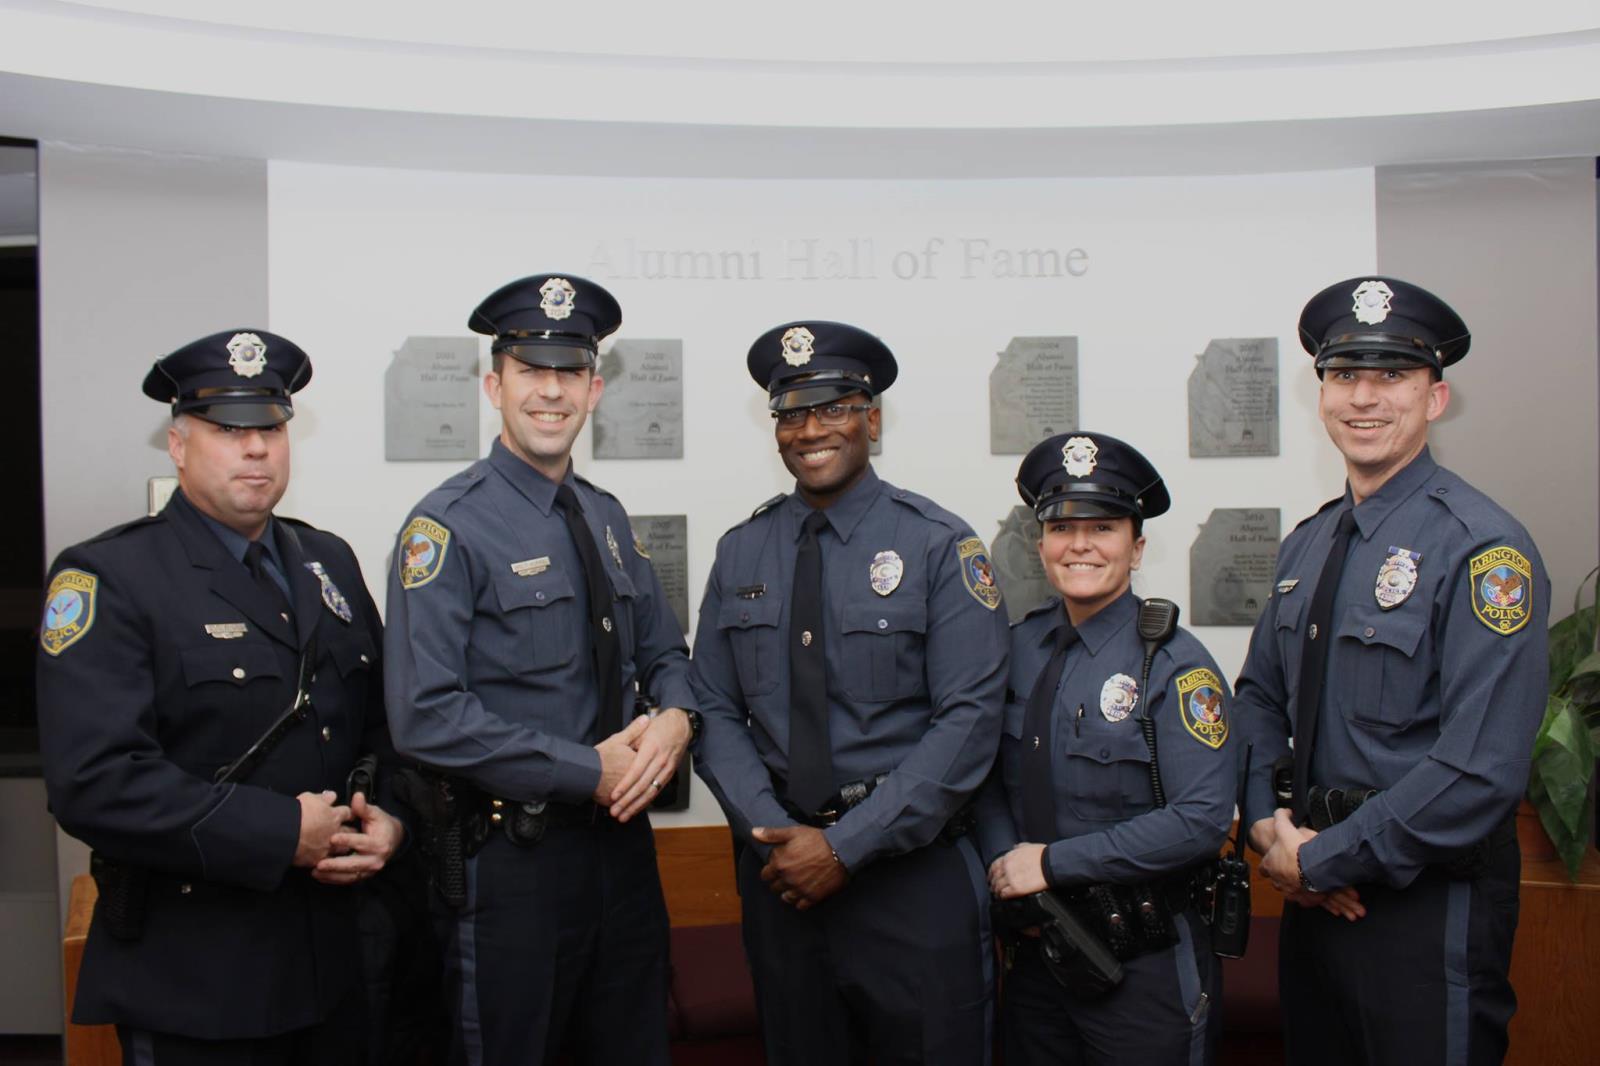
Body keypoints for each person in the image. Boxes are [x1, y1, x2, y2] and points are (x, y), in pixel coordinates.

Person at [37, 330, 403, 1065]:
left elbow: (384, 728)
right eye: (228, 430)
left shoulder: (327, 560)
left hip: (338, 967)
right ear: (178, 445)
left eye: (271, 428)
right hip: (198, 980)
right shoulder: (111, 578)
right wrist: (279, 832)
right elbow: (95, 783)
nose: (257, 448)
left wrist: (392, 818)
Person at [383, 273, 698, 1066]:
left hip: (621, 857)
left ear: (595, 390)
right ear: (495, 387)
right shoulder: (446, 527)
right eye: (531, 371)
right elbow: (425, 713)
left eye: (570, 373)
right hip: (511, 863)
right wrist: (588, 770)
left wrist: (676, 717)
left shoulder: (607, 516)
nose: (551, 391)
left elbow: (666, 653)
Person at [1235, 277, 1549, 1065]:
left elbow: (1479, 768)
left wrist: (1320, 860)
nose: (1364, 397)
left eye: (1392, 375)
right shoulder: (1308, 545)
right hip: (1313, 901)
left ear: (1435, 398)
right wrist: (1270, 831)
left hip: (1425, 911)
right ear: (1322, 397)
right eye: (1345, 374)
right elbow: (1258, 701)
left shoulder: (1483, 548)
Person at [691, 320, 1009, 1065]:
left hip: (910, 877)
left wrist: (843, 847)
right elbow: (713, 708)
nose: (810, 431)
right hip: (782, 882)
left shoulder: (938, 544)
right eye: (791, 414)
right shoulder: (742, 550)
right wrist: (775, 836)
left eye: (832, 409)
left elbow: (969, 720)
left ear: (873, 419)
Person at [975, 431, 1237, 1065]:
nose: (1080, 545)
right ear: (1041, 544)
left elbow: (1201, 820)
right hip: (1037, 950)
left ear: (1137, 547)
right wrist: (1010, 871)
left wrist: (1052, 865)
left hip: (1141, 957)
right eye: (1061, 528)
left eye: (1103, 527)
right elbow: (984, 778)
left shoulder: (1174, 664)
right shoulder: (1016, 649)